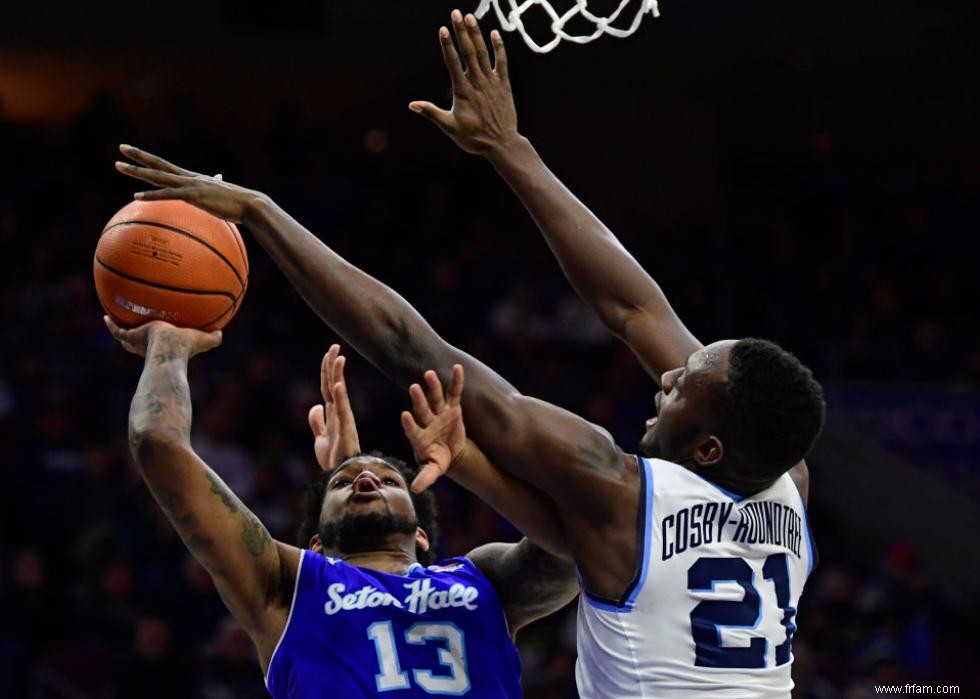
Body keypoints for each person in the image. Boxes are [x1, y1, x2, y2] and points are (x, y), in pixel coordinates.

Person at [113, 11, 826, 692]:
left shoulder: (616, 500)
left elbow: (410, 345)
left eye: (682, 386)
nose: (668, 372)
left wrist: (264, 214)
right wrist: (455, 463)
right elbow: (638, 311)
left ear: (708, 448)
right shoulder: (783, 479)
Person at [104, 317, 577, 698]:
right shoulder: (289, 587)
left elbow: (577, 544)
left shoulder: (482, 578)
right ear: (316, 543)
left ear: (421, 534)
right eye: (345, 484)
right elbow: (156, 444)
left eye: (390, 480)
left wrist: (471, 462)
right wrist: (168, 340)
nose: (367, 478)